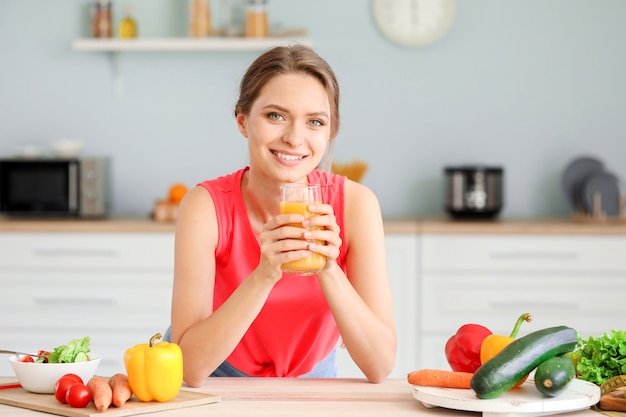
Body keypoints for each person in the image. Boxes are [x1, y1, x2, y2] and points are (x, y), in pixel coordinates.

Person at [168, 44, 396, 387]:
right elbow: (189, 369)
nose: (294, 138)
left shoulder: (358, 205)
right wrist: (264, 274)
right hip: (217, 380)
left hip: (312, 383)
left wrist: (328, 267)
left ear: (330, 131)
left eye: (315, 122)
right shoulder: (205, 207)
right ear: (243, 121)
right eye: (275, 116)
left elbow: (380, 367)